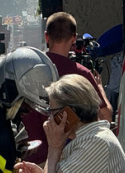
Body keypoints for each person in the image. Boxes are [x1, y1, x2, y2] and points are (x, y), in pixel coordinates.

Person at [22, 13, 112, 165]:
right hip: (66, 160)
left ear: (46, 36)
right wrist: (99, 88)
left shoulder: (27, 70)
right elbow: (106, 116)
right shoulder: (81, 74)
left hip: (29, 159)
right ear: (74, 38)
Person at [37, 74, 125, 173]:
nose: (49, 119)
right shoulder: (87, 139)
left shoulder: (96, 142)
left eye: (52, 111)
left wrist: (54, 149)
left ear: (68, 113)